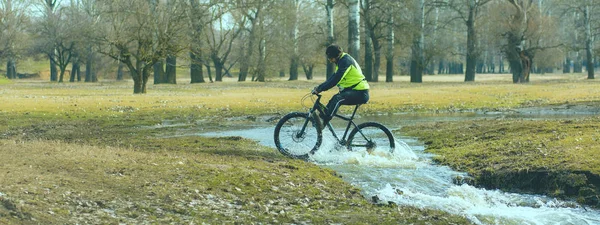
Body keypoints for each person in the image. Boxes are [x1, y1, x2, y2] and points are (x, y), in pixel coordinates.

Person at [312, 44, 370, 127]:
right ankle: (322, 122)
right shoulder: (341, 61)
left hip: (360, 92)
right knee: (333, 100)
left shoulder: (345, 61)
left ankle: (323, 121)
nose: (330, 60)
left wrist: (320, 89)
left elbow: (336, 79)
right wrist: (320, 87)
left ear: (336, 56)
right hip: (354, 91)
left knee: (337, 99)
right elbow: (332, 77)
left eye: (330, 58)